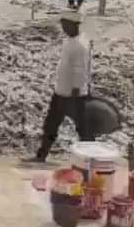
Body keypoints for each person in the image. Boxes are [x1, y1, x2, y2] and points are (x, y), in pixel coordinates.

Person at [34, 10, 94, 162]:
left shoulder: (79, 45)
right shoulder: (72, 40)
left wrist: (75, 92)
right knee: (51, 125)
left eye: (65, 24)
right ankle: (42, 155)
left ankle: (92, 158)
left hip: (74, 95)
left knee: (83, 129)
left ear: (73, 25)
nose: (63, 27)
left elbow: (80, 70)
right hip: (62, 90)